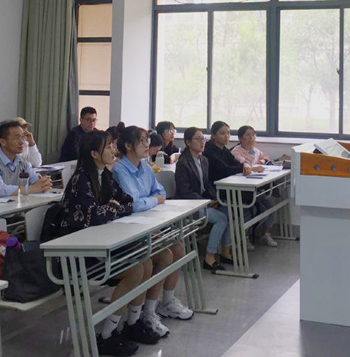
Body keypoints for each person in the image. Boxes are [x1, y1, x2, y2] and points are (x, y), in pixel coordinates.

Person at [60, 130, 160, 354]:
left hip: (101, 243)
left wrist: (112, 207)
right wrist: (113, 207)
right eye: (108, 147)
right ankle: (107, 334)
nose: (114, 150)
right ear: (94, 153)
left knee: (146, 263)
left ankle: (132, 323)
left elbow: (127, 202)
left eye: (113, 146)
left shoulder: (105, 174)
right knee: (135, 271)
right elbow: (94, 216)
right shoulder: (81, 179)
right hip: (79, 253)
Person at [112, 126, 194, 337]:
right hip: (128, 231)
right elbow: (134, 203)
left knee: (178, 248)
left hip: (146, 224)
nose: (147, 144)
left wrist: (151, 200)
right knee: (164, 255)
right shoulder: (120, 169)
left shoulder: (145, 167)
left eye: (147, 140)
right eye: (142, 140)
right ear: (128, 145)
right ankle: (145, 313)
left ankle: (163, 304)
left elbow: (161, 192)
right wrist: (153, 200)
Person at [205, 122, 276, 248]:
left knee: (263, 205)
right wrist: (247, 168)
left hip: (230, 187)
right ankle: (235, 241)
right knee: (250, 208)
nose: (227, 136)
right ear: (213, 135)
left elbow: (235, 165)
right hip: (220, 191)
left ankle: (239, 239)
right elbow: (225, 169)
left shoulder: (224, 150)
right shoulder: (210, 152)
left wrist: (245, 167)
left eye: (228, 133)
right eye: (222, 133)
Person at [174, 128, 233, 272]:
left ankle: (226, 251)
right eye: (198, 139)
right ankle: (209, 257)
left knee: (229, 211)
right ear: (188, 142)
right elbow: (184, 192)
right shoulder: (183, 163)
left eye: (203, 139)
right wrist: (205, 202)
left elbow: (207, 185)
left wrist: (214, 198)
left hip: (202, 201)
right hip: (189, 206)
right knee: (221, 219)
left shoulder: (203, 160)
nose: (202, 142)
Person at [0, 120, 53, 200]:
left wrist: (44, 183)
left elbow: (36, 181)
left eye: (23, 137)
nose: (22, 142)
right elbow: (1, 191)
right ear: (3, 142)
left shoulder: (23, 163)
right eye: (17, 138)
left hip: (15, 205)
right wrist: (32, 188)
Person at [230, 125, 278, 247]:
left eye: (253, 135)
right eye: (248, 135)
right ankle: (244, 237)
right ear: (241, 138)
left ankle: (265, 234)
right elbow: (243, 164)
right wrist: (252, 167)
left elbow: (265, 156)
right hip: (243, 190)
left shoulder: (255, 150)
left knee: (271, 205)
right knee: (254, 210)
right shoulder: (236, 151)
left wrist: (262, 161)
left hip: (256, 188)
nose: (251, 138)